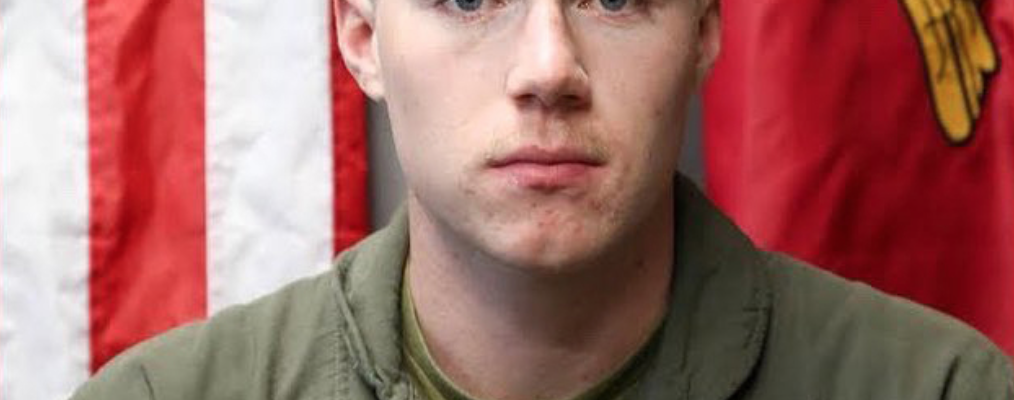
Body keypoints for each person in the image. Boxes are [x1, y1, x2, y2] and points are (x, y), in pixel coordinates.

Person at [71, 0, 1013, 397]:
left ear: (704, 34)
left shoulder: (938, 391)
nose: (549, 69)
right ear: (361, 39)